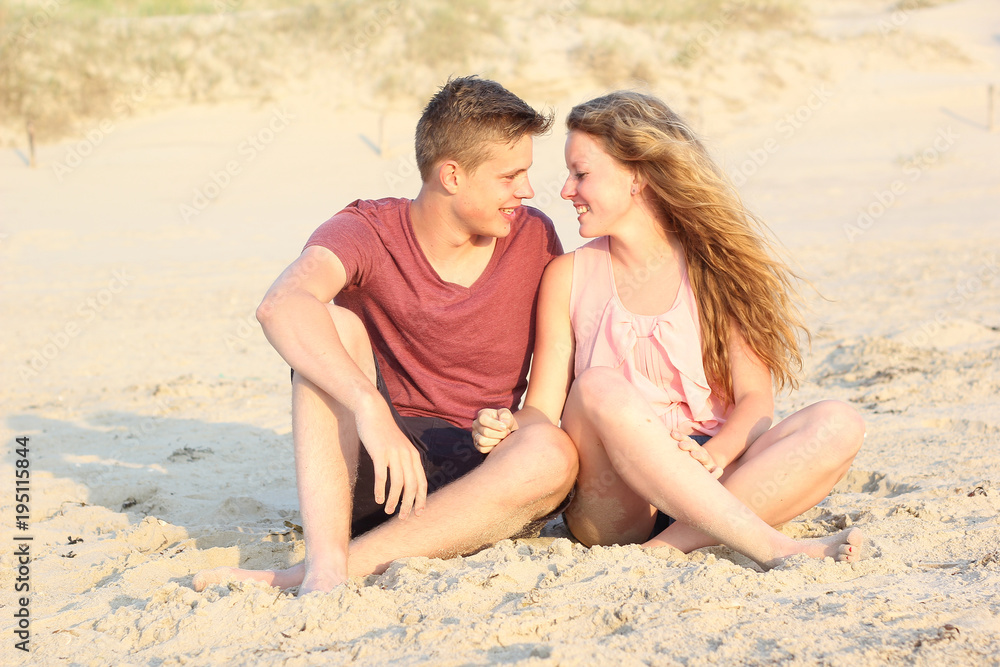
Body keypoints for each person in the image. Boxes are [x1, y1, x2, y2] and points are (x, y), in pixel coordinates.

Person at [193, 76, 577, 596]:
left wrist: (509, 425)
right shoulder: (368, 228)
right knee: (330, 322)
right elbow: (280, 305)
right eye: (511, 176)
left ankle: (315, 572)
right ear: (452, 175)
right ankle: (325, 563)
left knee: (552, 454)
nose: (527, 191)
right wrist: (368, 407)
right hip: (379, 473)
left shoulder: (534, 236)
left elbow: (557, 377)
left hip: (485, 482)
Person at [473, 91, 865, 570]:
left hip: (719, 480)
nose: (566, 191)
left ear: (636, 176)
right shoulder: (568, 277)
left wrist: (717, 453)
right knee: (596, 384)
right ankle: (765, 544)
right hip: (617, 501)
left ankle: (665, 551)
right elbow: (542, 408)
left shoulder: (714, 268)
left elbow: (755, 400)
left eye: (581, 174)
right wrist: (510, 427)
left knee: (839, 422)